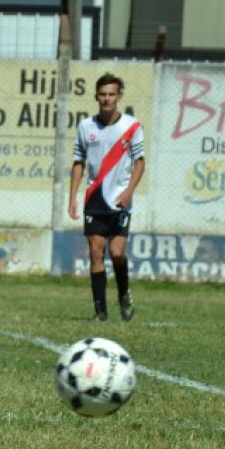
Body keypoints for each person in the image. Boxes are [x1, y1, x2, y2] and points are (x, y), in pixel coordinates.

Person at [68, 73, 145, 322]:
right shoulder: (85, 127)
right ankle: (100, 312)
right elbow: (78, 163)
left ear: (119, 96)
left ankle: (124, 293)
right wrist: (72, 197)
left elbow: (140, 163)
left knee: (117, 252)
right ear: (96, 96)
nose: (107, 99)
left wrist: (129, 191)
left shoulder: (132, 126)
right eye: (102, 94)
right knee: (96, 252)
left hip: (120, 200)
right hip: (94, 200)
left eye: (112, 94)